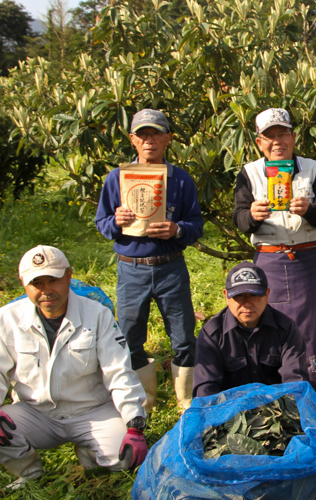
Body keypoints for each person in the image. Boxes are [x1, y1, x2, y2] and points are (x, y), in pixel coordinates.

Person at [0, 246, 148, 488]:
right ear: (24, 283)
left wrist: (134, 423)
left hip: (92, 411)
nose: (46, 290)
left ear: (69, 276)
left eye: (54, 280)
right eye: (37, 283)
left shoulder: (97, 315)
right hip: (35, 413)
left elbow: (119, 372)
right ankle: (30, 473)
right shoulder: (6, 319)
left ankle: (88, 452)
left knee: (125, 458)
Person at [232, 108, 316, 411]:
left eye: (283, 133)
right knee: (272, 324)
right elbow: (239, 217)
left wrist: (309, 209)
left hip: (310, 257)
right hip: (270, 258)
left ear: (293, 137)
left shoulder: (311, 168)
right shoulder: (250, 172)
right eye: (270, 136)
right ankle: (278, 385)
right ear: (259, 142)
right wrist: (252, 216)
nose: (277, 141)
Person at [96, 108, 204, 413]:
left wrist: (177, 229)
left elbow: (196, 224)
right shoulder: (117, 179)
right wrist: (116, 221)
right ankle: (145, 403)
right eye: (143, 134)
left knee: (183, 336)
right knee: (130, 337)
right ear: (132, 139)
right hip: (131, 270)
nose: (149, 140)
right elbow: (102, 223)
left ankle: (187, 403)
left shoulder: (180, 180)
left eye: (156, 133)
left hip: (171, 266)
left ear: (167, 139)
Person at [192, 261, 308, 397]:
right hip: (229, 410)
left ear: (267, 294)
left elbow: (295, 382)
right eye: (239, 296)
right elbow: (206, 389)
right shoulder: (212, 334)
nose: (247, 303)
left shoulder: (286, 329)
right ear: (226, 296)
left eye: (254, 295)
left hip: (277, 407)